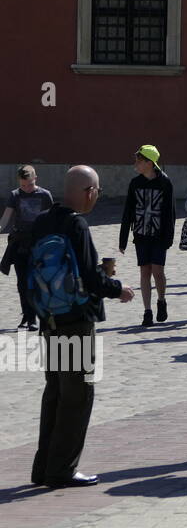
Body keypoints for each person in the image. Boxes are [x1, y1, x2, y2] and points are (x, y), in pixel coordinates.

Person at [29, 166, 133, 488]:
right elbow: (90, 278)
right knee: (78, 396)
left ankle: (43, 467)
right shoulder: (76, 224)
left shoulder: (42, 222)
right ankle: (62, 470)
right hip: (76, 322)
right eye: (97, 192)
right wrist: (118, 289)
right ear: (88, 191)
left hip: (49, 320)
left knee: (56, 392)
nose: (97, 198)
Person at [119, 145, 175, 327]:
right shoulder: (135, 183)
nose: (136, 164)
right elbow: (128, 211)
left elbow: (170, 213)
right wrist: (123, 238)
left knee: (158, 272)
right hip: (141, 234)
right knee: (145, 271)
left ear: (150, 163)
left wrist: (168, 237)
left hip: (159, 235)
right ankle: (147, 311)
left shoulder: (165, 183)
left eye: (139, 161)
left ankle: (161, 300)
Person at [1, 165, 55, 330]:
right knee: (23, 282)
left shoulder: (45, 195)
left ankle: (40, 315)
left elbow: (52, 219)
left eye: (30, 184)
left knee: (39, 282)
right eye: (23, 185)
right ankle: (28, 316)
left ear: (35, 178)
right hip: (20, 245)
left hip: (39, 245)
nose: (27, 188)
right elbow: (6, 218)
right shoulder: (15, 195)